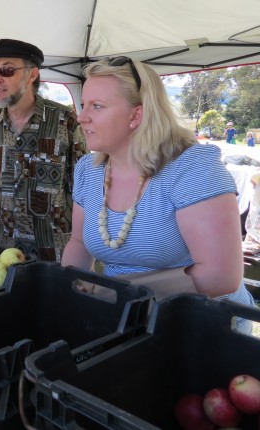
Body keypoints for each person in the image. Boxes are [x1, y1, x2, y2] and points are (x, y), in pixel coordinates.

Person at [60, 56, 255, 332]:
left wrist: (115, 297)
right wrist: (70, 292)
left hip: (204, 325)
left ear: (136, 115)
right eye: (83, 105)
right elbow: (79, 243)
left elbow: (220, 276)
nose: (81, 117)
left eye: (97, 106)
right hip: (127, 321)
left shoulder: (191, 167)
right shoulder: (88, 170)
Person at [0, 38, 86, 261]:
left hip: (54, 254)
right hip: (2, 252)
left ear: (32, 74)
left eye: (6, 70)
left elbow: (83, 194)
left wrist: (81, 255)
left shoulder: (65, 121)